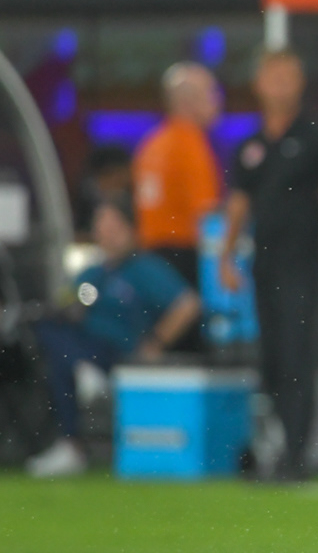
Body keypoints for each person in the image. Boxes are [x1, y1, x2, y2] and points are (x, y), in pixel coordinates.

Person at [218, 51, 318, 480]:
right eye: (271, 75)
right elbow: (239, 204)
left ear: (300, 83)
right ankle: (277, 445)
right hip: (265, 265)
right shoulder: (251, 146)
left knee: (299, 357)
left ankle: (297, 454)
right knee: (273, 359)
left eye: (288, 76)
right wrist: (225, 255)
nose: (279, 84)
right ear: (258, 83)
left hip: (305, 265)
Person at [26, 198, 202, 478]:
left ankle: (72, 439)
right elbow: (67, 304)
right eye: (101, 225)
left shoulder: (146, 268)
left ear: (130, 228)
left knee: (62, 354)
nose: (106, 232)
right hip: (81, 344)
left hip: (119, 351)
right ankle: (81, 376)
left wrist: (156, 341)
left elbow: (188, 304)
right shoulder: (93, 273)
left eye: (113, 225)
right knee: (44, 332)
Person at [132, 62, 223, 287]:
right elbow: (205, 212)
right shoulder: (189, 144)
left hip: (150, 254)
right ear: (189, 101)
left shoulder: (152, 144)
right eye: (211, 93)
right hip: (182, 255)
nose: (219, 102)